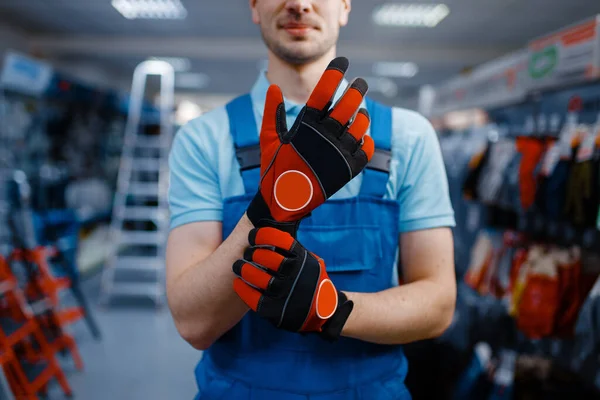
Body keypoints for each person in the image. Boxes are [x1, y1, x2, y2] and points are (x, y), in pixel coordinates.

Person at [166, 0, 457, 398]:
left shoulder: (409, 137)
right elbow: (193, 323)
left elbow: (438, 304)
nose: (299, 4)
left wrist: (333, 310)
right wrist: (271, 211)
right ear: (254, 6)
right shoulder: (201, 140)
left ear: (344, 6)